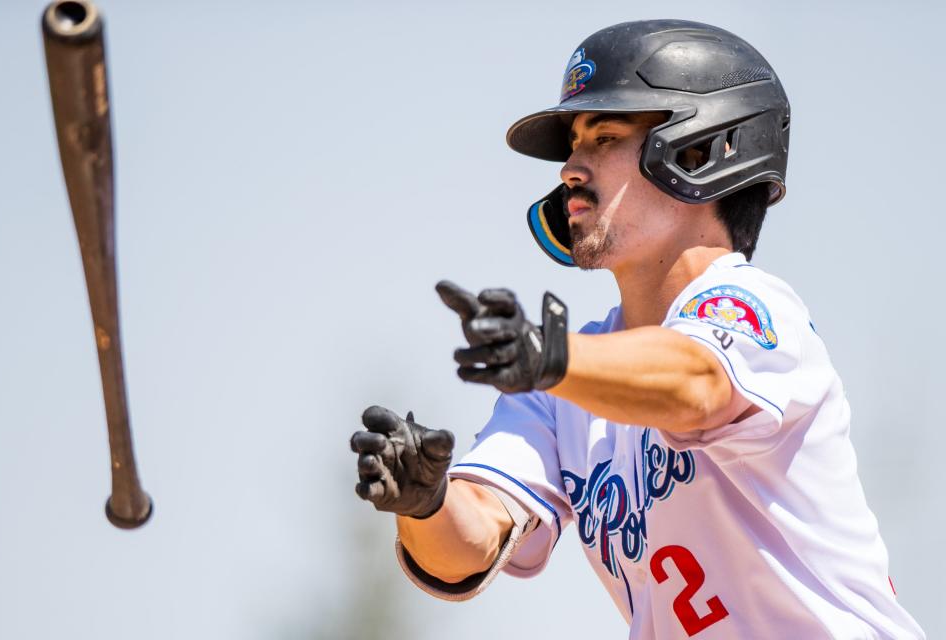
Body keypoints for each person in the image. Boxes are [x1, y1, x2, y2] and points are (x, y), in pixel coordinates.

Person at [349, 19, 925, 639]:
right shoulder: (568, 376)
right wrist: (424, 504)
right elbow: (472, 543)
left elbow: (697, 383)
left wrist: (555, 361)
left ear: (702, 149)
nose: (570, 166)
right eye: (575, 142)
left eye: (605, 136)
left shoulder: (755, 306)